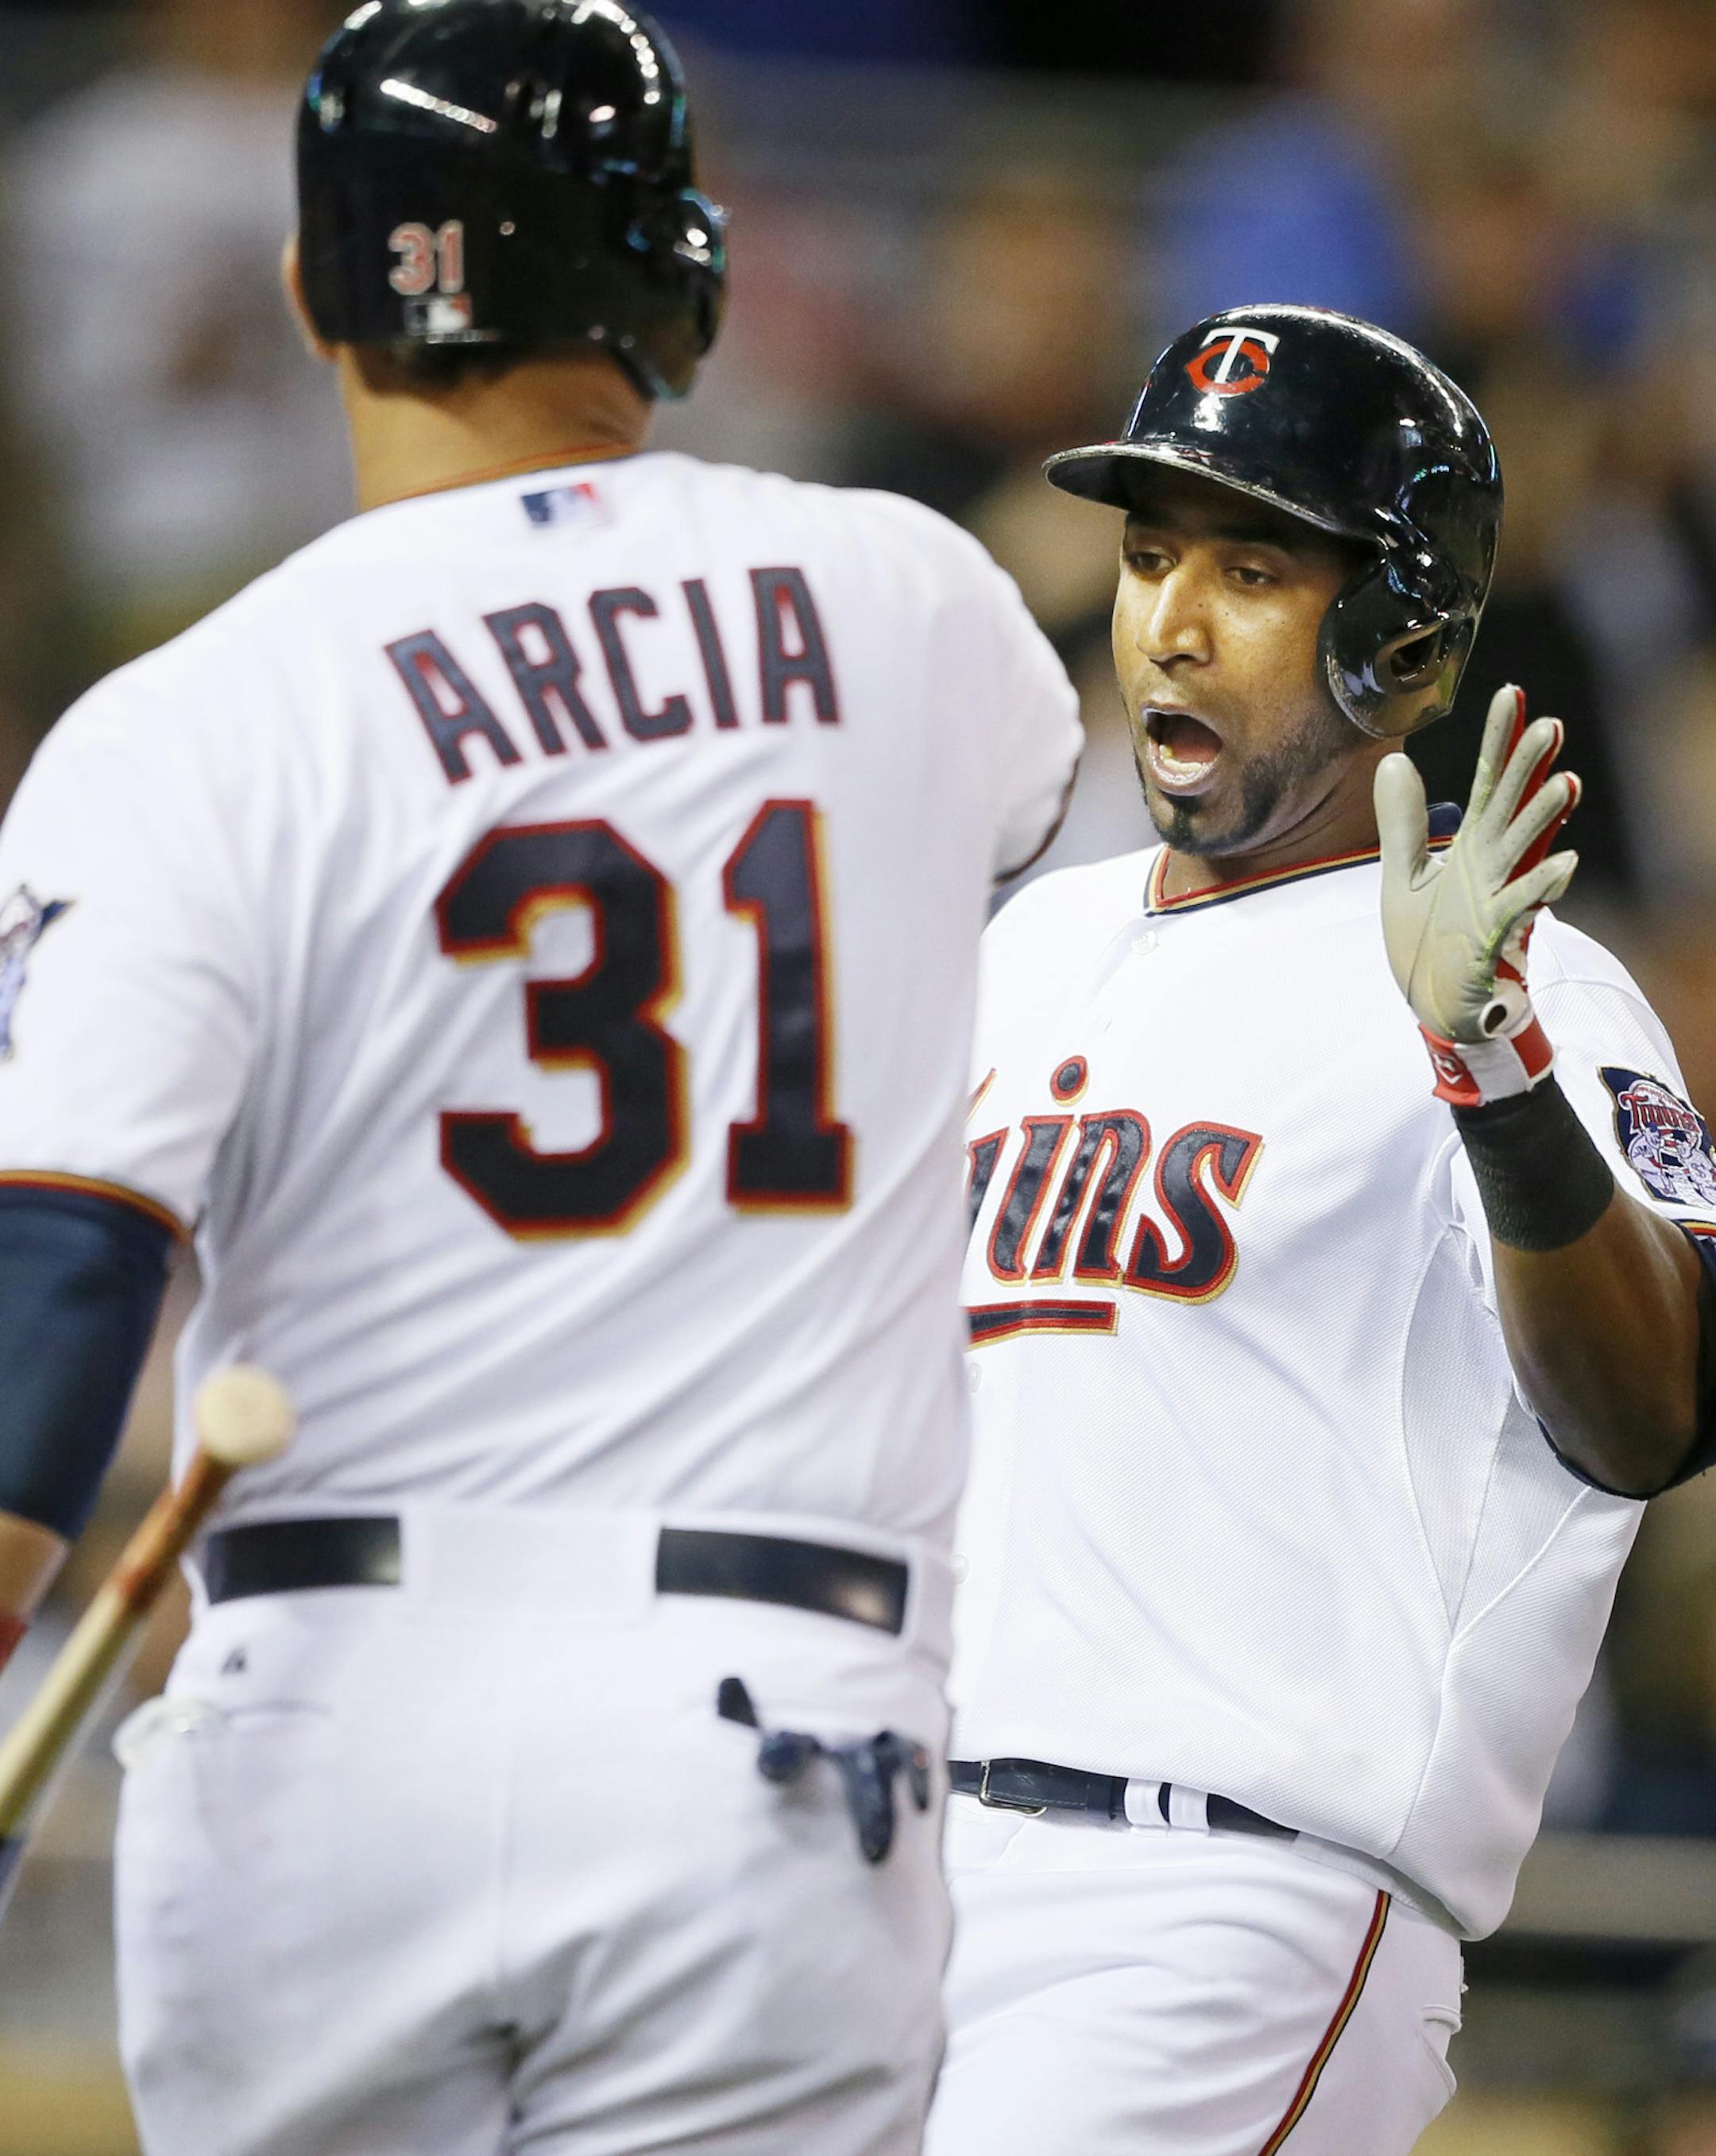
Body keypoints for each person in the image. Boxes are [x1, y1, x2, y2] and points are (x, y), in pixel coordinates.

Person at [0, 4, 1082, 2152]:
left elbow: (58, 1277)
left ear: (320, 291)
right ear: (676, 272)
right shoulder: (917, 601)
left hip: (324, 1726)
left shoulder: (191, 714)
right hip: (768, 1727)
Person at [927, 303, 1716, 2156]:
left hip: (1224, 1905)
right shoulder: (1032, 942)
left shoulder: (1535, 982)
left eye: (1255, 566)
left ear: (1405, 634)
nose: (1167, 622)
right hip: (892, 1865)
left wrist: (1494, 1066)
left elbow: (1662, 1407)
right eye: (1144, 555)